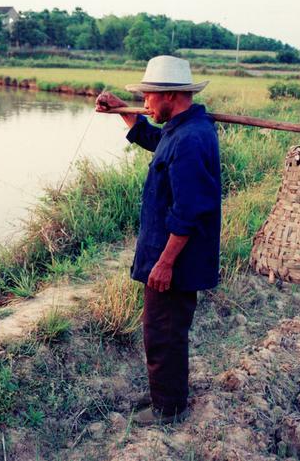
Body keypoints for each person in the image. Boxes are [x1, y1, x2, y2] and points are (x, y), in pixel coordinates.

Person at [96, 55, 221, 425]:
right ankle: (168, 394)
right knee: (166, 329)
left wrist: (165, 262)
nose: (145, 103)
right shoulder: (181, 128)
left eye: (148, 96)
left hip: (176, 260)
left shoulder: (191, 140)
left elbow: (189, 211)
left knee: (163, 332)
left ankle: (168, 408)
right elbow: (155, 139)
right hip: (169, 255)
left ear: (169, 95)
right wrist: (124, 112)